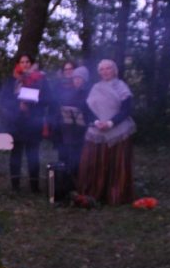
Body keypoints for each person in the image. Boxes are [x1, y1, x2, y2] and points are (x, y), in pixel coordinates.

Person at [78, 59, 136, 205]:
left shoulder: (122, 87)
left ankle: (116, 195)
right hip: (97, 130)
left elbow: (126, 109)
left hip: (117, 131)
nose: (105, 72)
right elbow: (87, 109)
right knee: (94, 163)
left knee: (116, 165)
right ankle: (95, 193)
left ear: (114, 70)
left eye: (108, 68)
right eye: (102, 69)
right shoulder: (95, 88)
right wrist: (97, 122)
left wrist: (110, 123)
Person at [0, 54, 57, 193]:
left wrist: (34, 101)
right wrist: (17, 105)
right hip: (16, 122)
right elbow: (4, 100)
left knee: (33, 154)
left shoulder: (41, 80)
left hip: (33, 122)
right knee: (16, 155)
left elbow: (49, 99)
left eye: (27, 62)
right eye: (22, 62)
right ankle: (15, 186)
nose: (25, 64)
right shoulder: (13, 80)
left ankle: (34, 186)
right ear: (18, 64)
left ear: (32, 64)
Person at [57, 66, 91, 185]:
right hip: (69, 130)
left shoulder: (89, 93)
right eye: (75, 78)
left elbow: (90, 111)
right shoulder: (69, 91)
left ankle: (80, 182)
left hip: (82, 131)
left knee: (80, 157)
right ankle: (69, 182)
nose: (77, 80)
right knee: (69, 157)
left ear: (85, 79)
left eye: (79, 78)